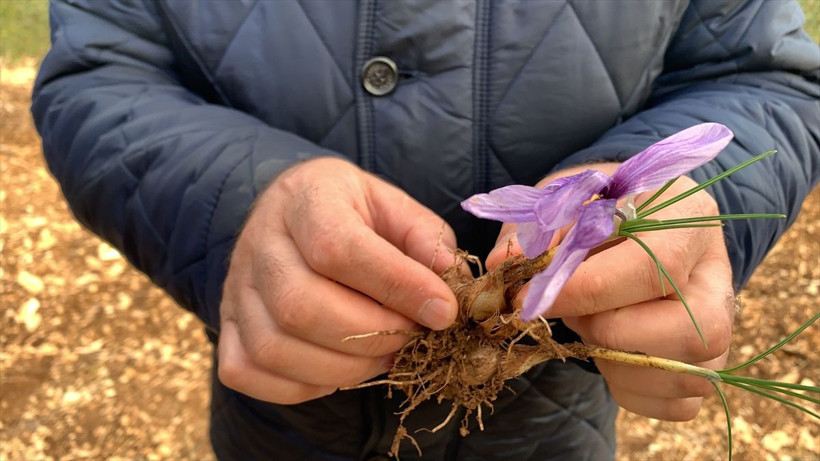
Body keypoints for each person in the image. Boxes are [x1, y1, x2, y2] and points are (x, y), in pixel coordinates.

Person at [32, 1, 818, 459]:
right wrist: (233, 203)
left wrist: (656, 216)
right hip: (284, 423)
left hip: (547, 428)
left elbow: (767, 77)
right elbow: (97, 74)